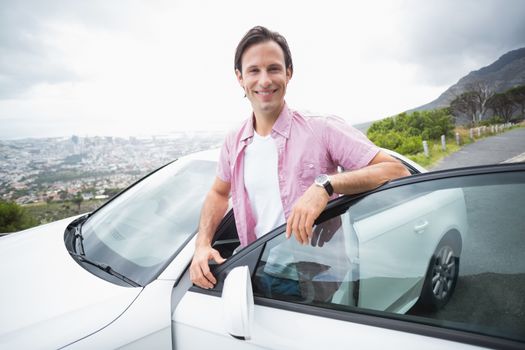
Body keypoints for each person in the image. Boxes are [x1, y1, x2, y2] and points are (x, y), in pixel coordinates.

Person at [190, 26, 410, 289]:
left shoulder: (322, 128)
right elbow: (218, 193)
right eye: (253, 71)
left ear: (288, 73)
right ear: (240, 78)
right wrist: (202, 245)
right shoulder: (234, 141)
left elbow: (395, 170)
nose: (264, 80)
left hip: (318, 276)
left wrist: (326, 185)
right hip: (259, 271)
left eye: (273, 68)